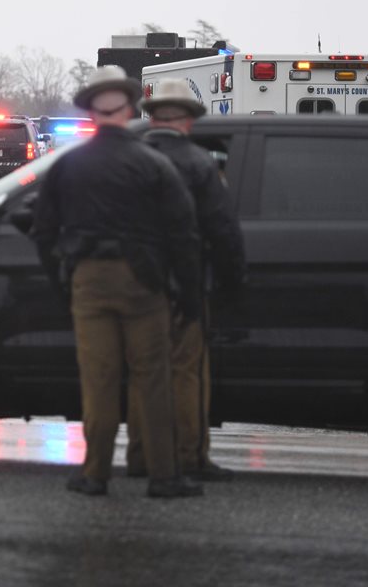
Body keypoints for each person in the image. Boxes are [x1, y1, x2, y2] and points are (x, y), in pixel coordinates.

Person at [32, 65, 203, 498]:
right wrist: (187, 292)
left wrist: (63, 279)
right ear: (128, 110)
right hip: (144, 282)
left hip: (88, 282)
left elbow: (43, 230)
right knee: (152, 378)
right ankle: (164, 475)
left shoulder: (67, 167)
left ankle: (95, 473)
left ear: (91, 112)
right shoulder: (155, 164)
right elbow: (183, 234)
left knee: (99, 378)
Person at [126, 78, 246, 482]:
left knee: (143, 371)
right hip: (186, 283)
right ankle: (189, 455)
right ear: (189, 121)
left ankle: (142, 455)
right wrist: (231, 281)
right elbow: (223, 230)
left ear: (153, 116)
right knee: (187, 372)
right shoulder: (200, 165)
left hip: (137, 285)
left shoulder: (132, 160)